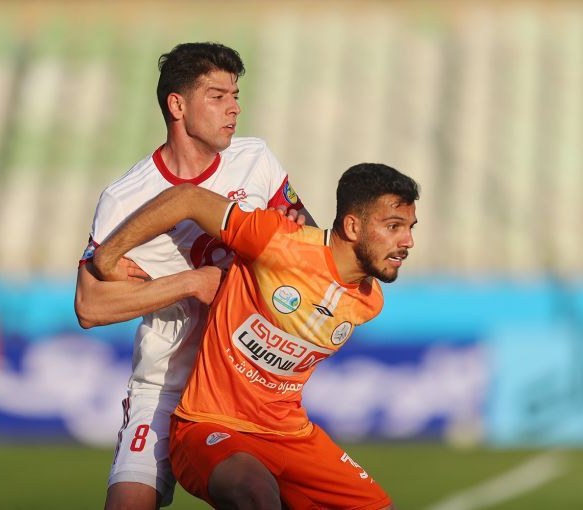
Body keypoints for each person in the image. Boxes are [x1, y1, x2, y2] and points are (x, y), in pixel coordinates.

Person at [93, 163, 419, 509]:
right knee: (256, 495)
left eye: (410, 228)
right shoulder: (278, 240)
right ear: (353, 226)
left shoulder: (368, 302)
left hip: (290, 435)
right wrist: (106, 256)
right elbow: (187, 198)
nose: (408, 242)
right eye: (393, 227)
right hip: (209, 424)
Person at [74, 42, 313, 510]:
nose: (234, 108)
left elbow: (303, 248)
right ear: (177, 105)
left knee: (255, 496)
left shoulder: (256, 160)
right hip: (164, 385)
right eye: (217, 96)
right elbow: (89, 306)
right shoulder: (126, 197)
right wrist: (189, 283)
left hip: (241, 389)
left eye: (235, 95)